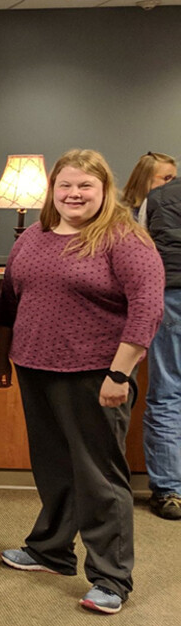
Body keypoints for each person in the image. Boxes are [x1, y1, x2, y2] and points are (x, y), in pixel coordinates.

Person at [0, 149, 164, 615]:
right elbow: (10, 301)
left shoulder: (123, 239)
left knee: (99, 476)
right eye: (66, 185)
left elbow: (147, 309)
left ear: (104, 190)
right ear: (53, 190)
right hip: (35, 367)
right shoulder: (35, 236)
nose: (74, 194)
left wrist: (119, 373)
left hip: (94, 373)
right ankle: (50, 549)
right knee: (53, 467)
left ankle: (111, 577)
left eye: (85, 186)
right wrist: (3, 359)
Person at [142, 160, 181, 520]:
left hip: (170, 295)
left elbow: (142, 249)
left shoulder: (159, 197)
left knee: (167, 392)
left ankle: (170, 491)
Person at [121, 151, 175, 225]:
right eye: (167, 178)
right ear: (146, 179)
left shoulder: (173, 210)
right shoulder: (123, 217)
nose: (173, 184)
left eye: (174, 179)